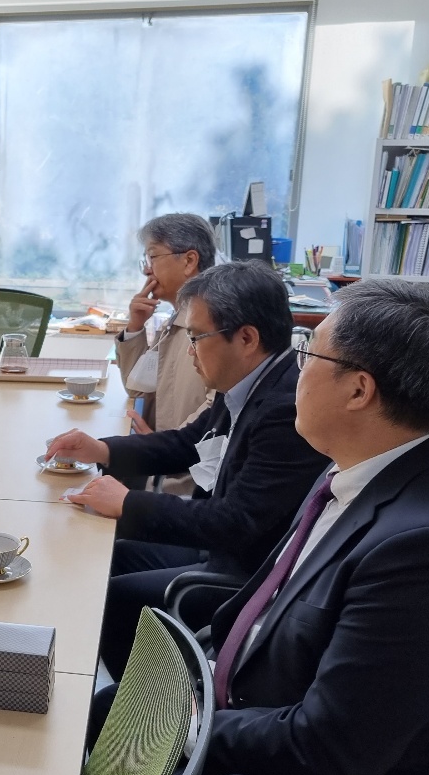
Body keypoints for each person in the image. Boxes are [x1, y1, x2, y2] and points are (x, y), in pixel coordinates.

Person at [108, 279, 429, 775]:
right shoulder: (373, 458)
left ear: (359, 390)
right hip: (253, 686)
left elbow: (324, 748)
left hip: (291, 766)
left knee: (91, 729)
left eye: (308, 354)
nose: (295, 368)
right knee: (94, 709)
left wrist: (181, 722)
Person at [45, 261, 327, 679]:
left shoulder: (283, 409)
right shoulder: (249, 382)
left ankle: (154, 713)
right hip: (218, 547)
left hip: (242, 573)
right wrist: (102, 448)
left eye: (196, 337)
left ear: (246, 338)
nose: (190, 349)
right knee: (116, 556)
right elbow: (184, 444)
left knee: (119, 597)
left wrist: (127, 502)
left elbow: (238, 523)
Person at [114, 214, 217, 495]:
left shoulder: (211, 324)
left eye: (153, 257)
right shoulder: (176, 318)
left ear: (189, 261)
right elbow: (138, 386)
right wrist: (135, 327)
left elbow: (216, 404)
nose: (147, 271)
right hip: (160, 468)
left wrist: (166, 445)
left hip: (187, 485)